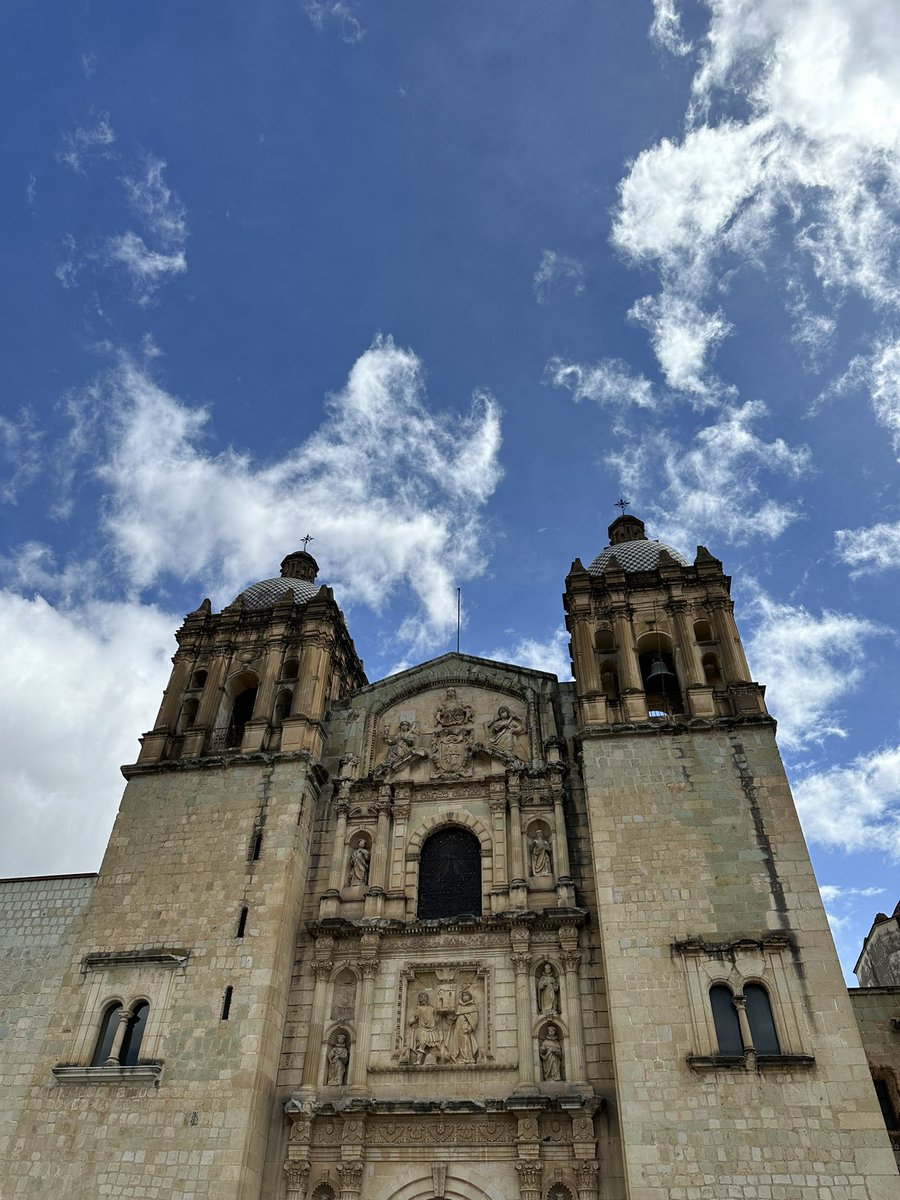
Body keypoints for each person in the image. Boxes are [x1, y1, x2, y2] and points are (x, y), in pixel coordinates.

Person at [444, 989, 479, 1063]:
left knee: (465, 1042)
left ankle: (466, 1058)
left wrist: (471, 1027)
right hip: (457, 1028)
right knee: (456, 1042)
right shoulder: (459, 1007)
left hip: (465, 1028)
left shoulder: (472, 1007)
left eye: (466, 995)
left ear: (469, 997)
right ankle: (457, 1057)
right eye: (463, 995)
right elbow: (453, 1018)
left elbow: (474, 1019)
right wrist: (449, 1015)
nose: (464, 997)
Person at [407, 991, 442, 1064]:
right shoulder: (418, 1009)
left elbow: (436, 1019)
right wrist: (413, 1020)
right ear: (419, 999)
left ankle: (432, 1061)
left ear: (427, 999)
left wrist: (441, 1013)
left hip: (432, 1030)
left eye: (424, 997)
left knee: (434, 1047)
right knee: (422, 1045)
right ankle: (418, 1061)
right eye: (421, 997)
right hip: (422, 1030)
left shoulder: (432, 1009)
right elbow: (412, 1020)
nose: (423, 998)